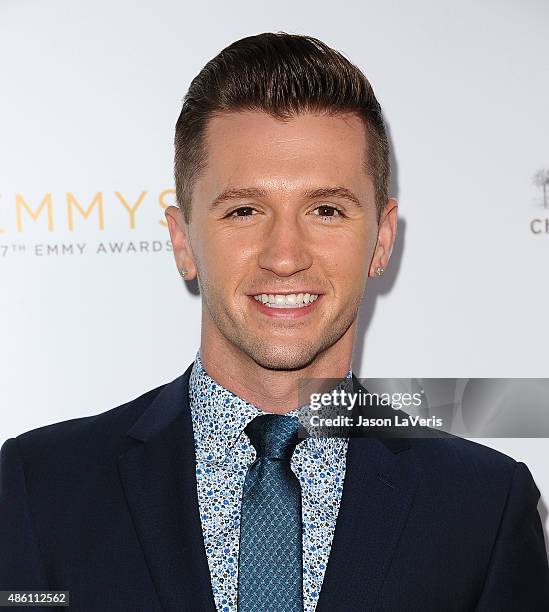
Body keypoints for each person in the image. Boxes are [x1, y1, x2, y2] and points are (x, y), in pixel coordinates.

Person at [1, 32, 548, 612]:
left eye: (326, 210)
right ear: (182, 239)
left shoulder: (483, 510)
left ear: (382, 238)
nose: (285, 256)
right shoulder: (42, 488)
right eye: (244, 210)